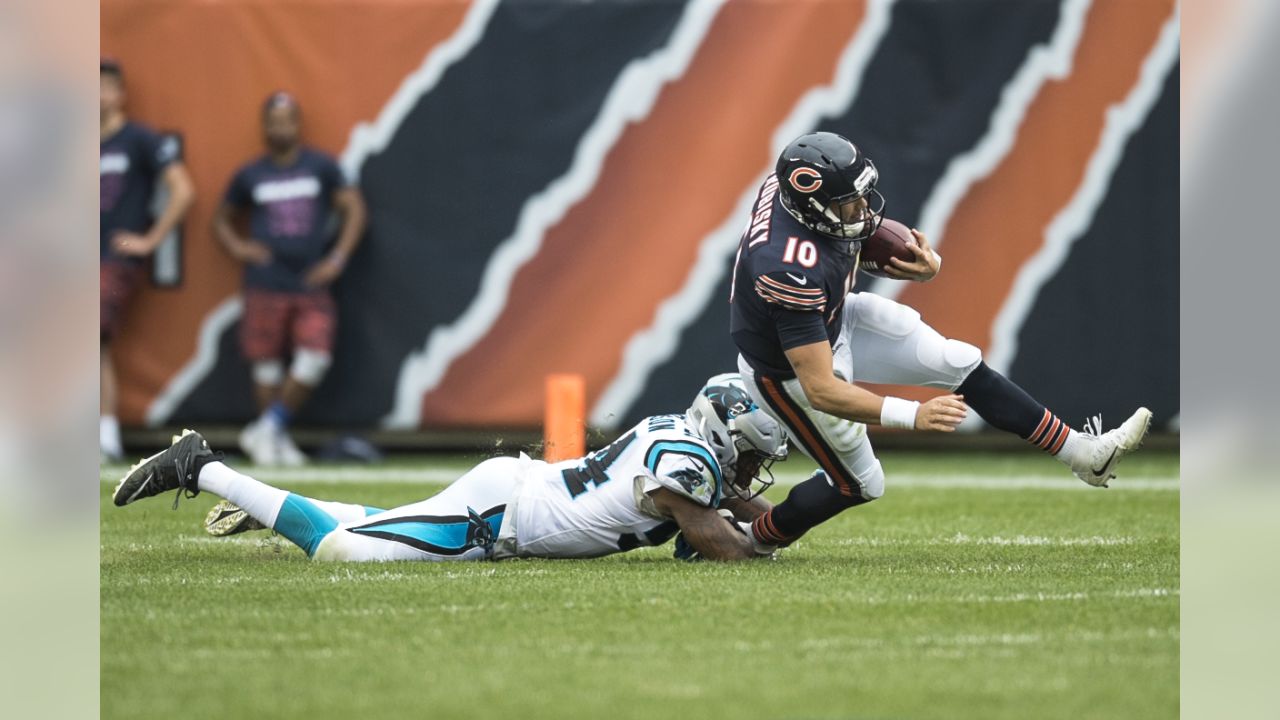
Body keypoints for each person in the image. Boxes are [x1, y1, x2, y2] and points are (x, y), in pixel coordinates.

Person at [729, 131, 1152, 550]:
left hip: (834, 320)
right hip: (785, 371)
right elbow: (820, 388)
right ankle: (750, 540)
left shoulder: (789, 194)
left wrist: (915, 266)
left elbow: (842, 242)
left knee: (958, 361)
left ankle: (1084, 455)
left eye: (861, 195)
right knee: (859, 484)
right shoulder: (786, 268)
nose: (862, 210)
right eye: (847, 204)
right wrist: (911, 415)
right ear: (811, 207)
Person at [112, 375, 787, 562]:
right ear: (725, 437)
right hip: (500, 515)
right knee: (344, 552)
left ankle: (266, 506)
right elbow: (723, 541)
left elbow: (731, 507)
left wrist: (780, 518)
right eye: (753, 452)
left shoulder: (679, 434)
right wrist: (765, 540)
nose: (754, 470)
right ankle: (202, 467)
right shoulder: (686, 464)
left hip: (513, 497)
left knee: (382, 526)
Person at [213, 91, 366, 466]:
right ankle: (273, 441)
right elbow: (220, 218)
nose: (281, 128)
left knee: (314, 356)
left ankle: (268, 428)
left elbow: (355, 209)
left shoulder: (320, 166)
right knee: (266, 363)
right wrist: (240, 247)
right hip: (265, 280)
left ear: (298, 124)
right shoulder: (251, 173)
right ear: (264, 126)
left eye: (287, 120)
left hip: (309, 280)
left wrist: (337, 258)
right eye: (274, 121)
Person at [100, 58, 196, 462]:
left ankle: (103, 434)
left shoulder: (137, 139)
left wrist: (149, 240)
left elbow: (183, 189)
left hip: (111, 259)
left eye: (105, 87)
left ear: (120, 93)